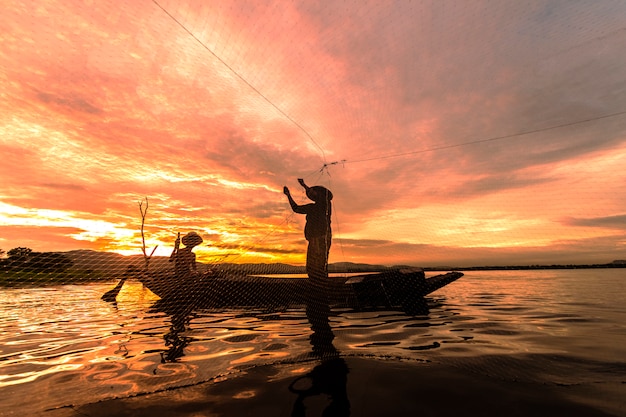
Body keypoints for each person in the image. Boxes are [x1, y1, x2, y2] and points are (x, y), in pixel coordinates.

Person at [283, 179, 333, 281]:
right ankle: (315, 280)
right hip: (314, 237)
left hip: (321, 236)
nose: (312, 194)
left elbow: (314, 195)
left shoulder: (325, 204)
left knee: (320, 261)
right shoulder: (312, 207)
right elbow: (296, 208)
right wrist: (288, 195)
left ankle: (320, 281)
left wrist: (304, 185)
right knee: (313, 262)